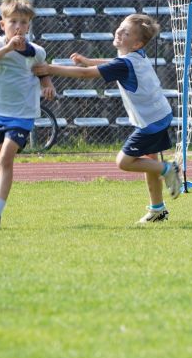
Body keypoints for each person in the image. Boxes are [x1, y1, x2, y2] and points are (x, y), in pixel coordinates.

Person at [34, 14, 182, 223]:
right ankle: (157, 209)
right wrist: (88, 61)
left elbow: (87, 75)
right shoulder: (135, 56)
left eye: (126, 32)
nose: (119, 32)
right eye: (120, 28)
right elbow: (112, 62)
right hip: (159, 115)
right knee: (149, 159)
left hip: (151, 122)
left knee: (124, 161)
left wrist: (50, 69)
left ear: (137, 43)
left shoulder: (124, 63)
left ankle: (169, 169)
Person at [0, 0, 56, 229]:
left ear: (29, 25)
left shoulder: (36, 51)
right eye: (13, 22)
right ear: (3, 24)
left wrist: (47, 84)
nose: (18, 27)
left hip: (21, 114)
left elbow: (42, 72)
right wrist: (8, 48)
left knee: (5, 160)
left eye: (23, 22)